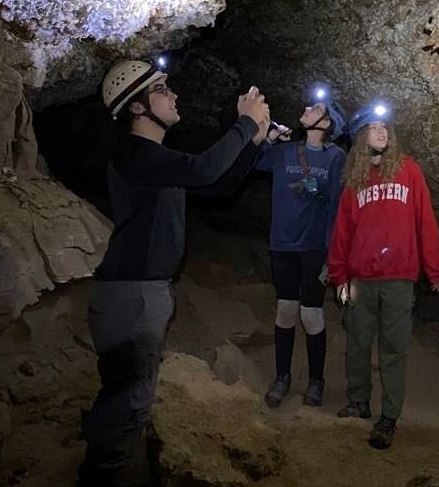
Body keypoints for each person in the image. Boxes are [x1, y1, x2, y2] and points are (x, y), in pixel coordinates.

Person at [78, 59, 271, 487]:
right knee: (129, 400)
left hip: (140, 292)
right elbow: (203, 169)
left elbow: (216, 185)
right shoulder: (134, 153)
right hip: (132, 296)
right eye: (162, 89)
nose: (174, 94)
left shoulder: (156, 161)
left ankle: (102, 464)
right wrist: (243, 124)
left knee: (125, 393)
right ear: (137, 107)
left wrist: (254, 143)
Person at [327, 101, 439, 450]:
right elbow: (342, 231)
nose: (381, 132)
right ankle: (358, 401)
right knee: (358, 342)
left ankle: (389, 417)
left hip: (398, 278)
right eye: (373, 128)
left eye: (384, 128)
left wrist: (434, 266)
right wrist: (339, 275)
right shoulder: (356, 180)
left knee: (394, 348)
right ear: (360, 137)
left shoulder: (409, 170)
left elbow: (425, 219)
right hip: (360, 279)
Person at [255, 81, 348, 409]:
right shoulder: (285, 151)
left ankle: (316, 381)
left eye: (317, 109)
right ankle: (282, 377)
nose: (308, 109)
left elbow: (337, 206)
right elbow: (254, 162)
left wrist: (332, 254)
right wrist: (267, 139)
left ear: (327, 124)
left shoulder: (336, 158)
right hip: (282, 244)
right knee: (285, 310)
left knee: (311, 315)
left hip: (313, 247)